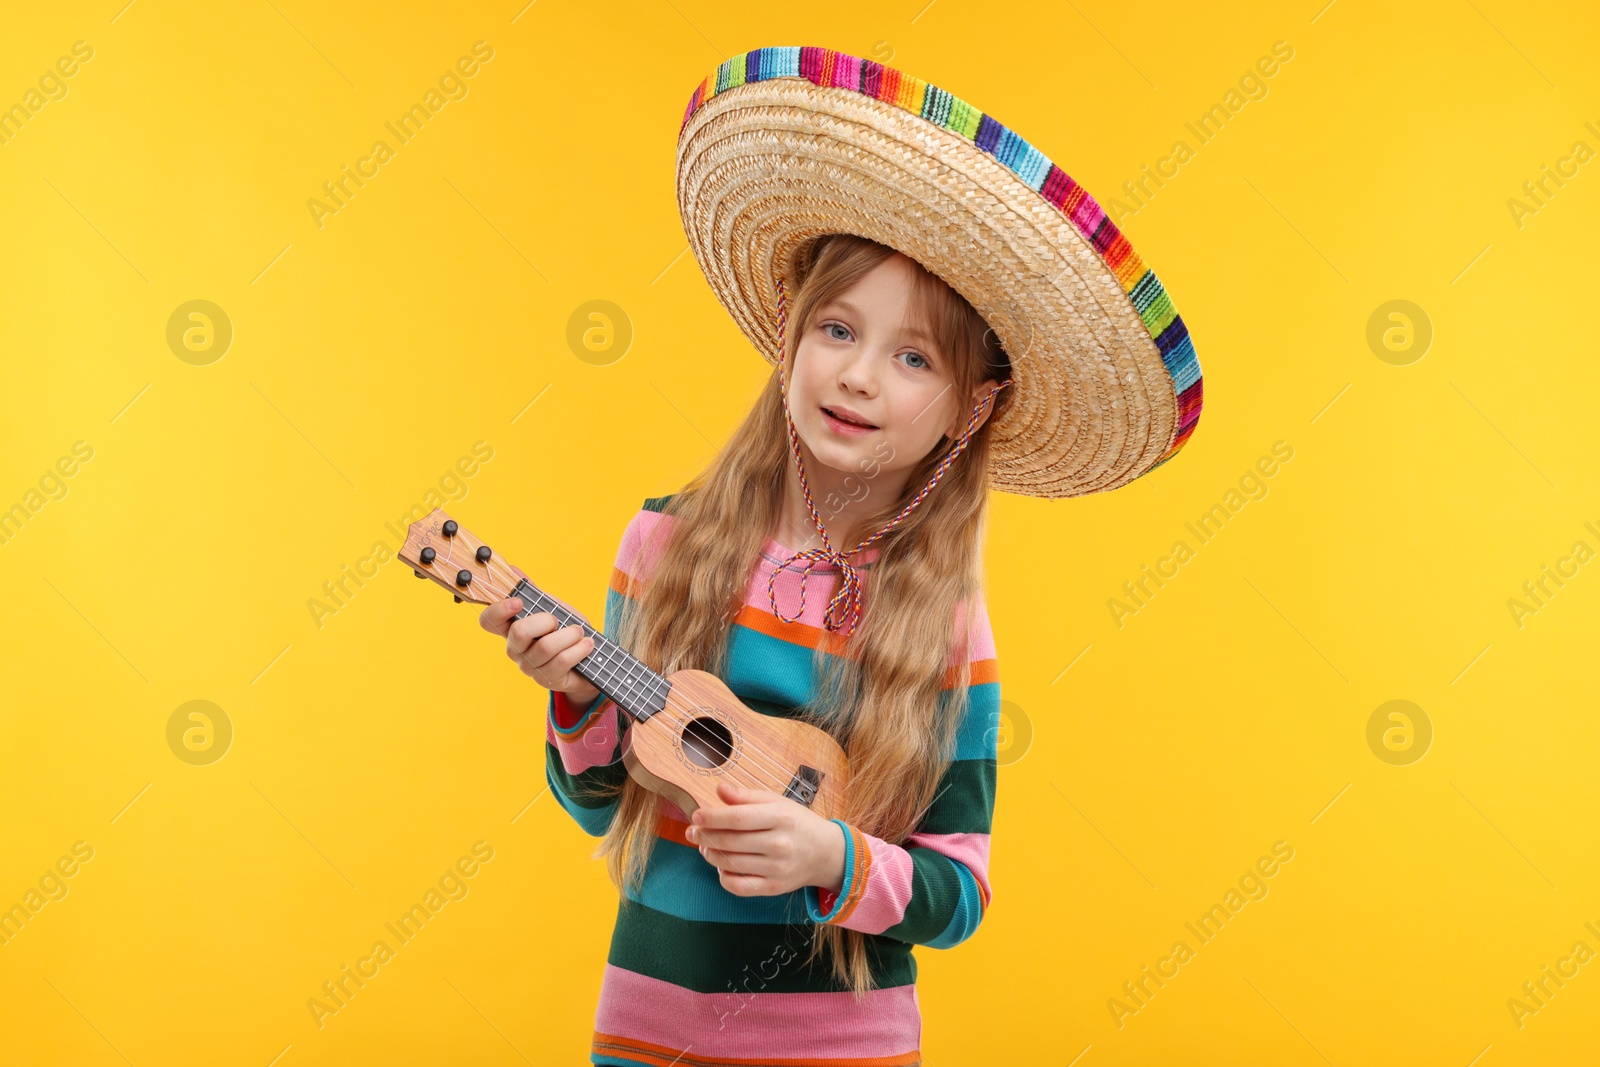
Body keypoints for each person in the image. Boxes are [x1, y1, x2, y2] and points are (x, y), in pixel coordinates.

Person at [480, 44, 1203, 1067]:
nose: (859, 376)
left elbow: (958, 892)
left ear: (973, 404)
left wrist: (833, 855)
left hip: (843, 1045)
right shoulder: (666, 544)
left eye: (914, 357)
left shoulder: (944, 623)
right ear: (788, 333)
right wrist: (572, 695)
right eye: (836, 328)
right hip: (649, 1029)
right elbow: (596, 792)